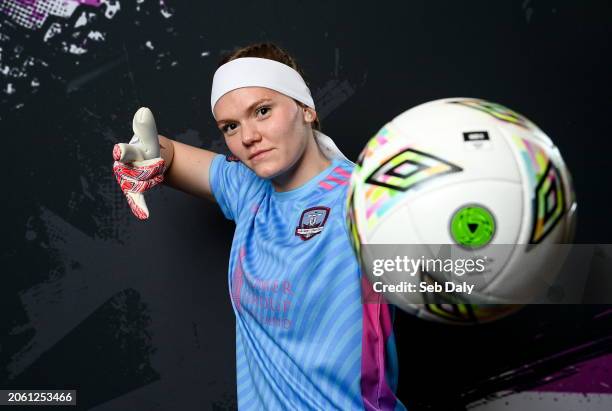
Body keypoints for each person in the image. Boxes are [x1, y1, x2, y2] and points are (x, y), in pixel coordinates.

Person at [112, 43, 406, 411]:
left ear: (306, 108)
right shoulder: (248, 189)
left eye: (262, 111)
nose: (248, 136)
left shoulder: (368, 198)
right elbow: (167, 155)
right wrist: (149, 154)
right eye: (230, 126)